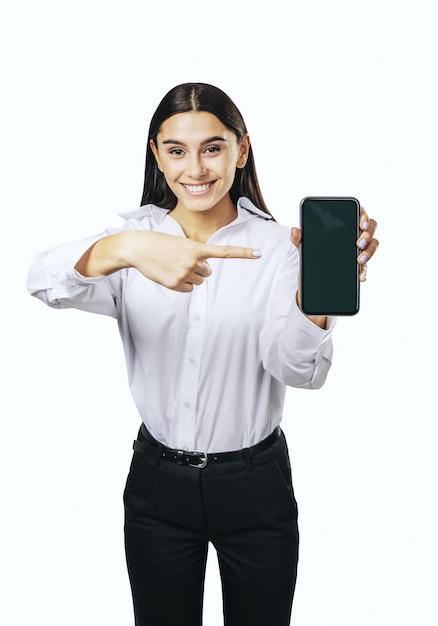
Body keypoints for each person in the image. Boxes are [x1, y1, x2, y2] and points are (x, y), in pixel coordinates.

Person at [27, 82, 379, 626]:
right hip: (156, 485)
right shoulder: (134, 238)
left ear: (241, 151)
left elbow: (296, 370)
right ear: (157, 155)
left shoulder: (281, 248)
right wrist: (127, 249)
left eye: (212, 147)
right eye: (176, 150)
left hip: (256, 485)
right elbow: (44, 282)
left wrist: (313, 298)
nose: (195, 168)